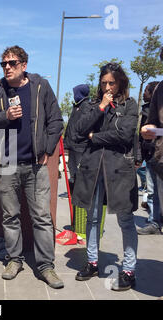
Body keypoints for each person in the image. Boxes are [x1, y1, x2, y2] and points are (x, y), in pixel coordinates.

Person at [0, 45, 64, 289]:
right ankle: (14, 259)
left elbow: (56, 120)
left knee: (42, 218)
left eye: (12, 63)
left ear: (24, 66)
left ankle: (46, 266)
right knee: (10, 217)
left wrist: (47, 149)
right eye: (4, 63)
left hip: (35, 166)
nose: (7, 67)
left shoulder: (40, 87)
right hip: (6, 166)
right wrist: (5, 116)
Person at [72, 62, 139, 291]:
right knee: (92, 218)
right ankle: (92, 262)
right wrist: (100, 107)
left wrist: (96, 136)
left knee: (125, 220)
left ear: (120, 82)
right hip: (93, 169)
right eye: (103, 83)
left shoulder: (129, 105)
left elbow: (125, 135)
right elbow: (78, 130)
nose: (107, 87)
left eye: (111, 82)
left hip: (119, 170)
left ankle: (129, 270)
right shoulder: (93, 105)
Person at [140, 47, 163, 234]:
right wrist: (149, 129)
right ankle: (155, 222)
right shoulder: (160, 89)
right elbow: (153, 120)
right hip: (160, 158)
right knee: (155, 192)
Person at [136, 81, 161, 235]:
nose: (144, 93)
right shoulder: (147, 109)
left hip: (157, 152)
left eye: (146, 90)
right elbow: (142, 135)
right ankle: (155, 221)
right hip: (153, 154)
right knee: (153, 191)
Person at [63, 84, 92, 191]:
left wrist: (76, 138)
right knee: (72, 168)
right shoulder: (76, 106)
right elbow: (70, 125)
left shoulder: (86, 106)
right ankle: (72, 191)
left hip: (80, 146)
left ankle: (77, 192)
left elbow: (83, 126)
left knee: (77, 171)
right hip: (72, 145)